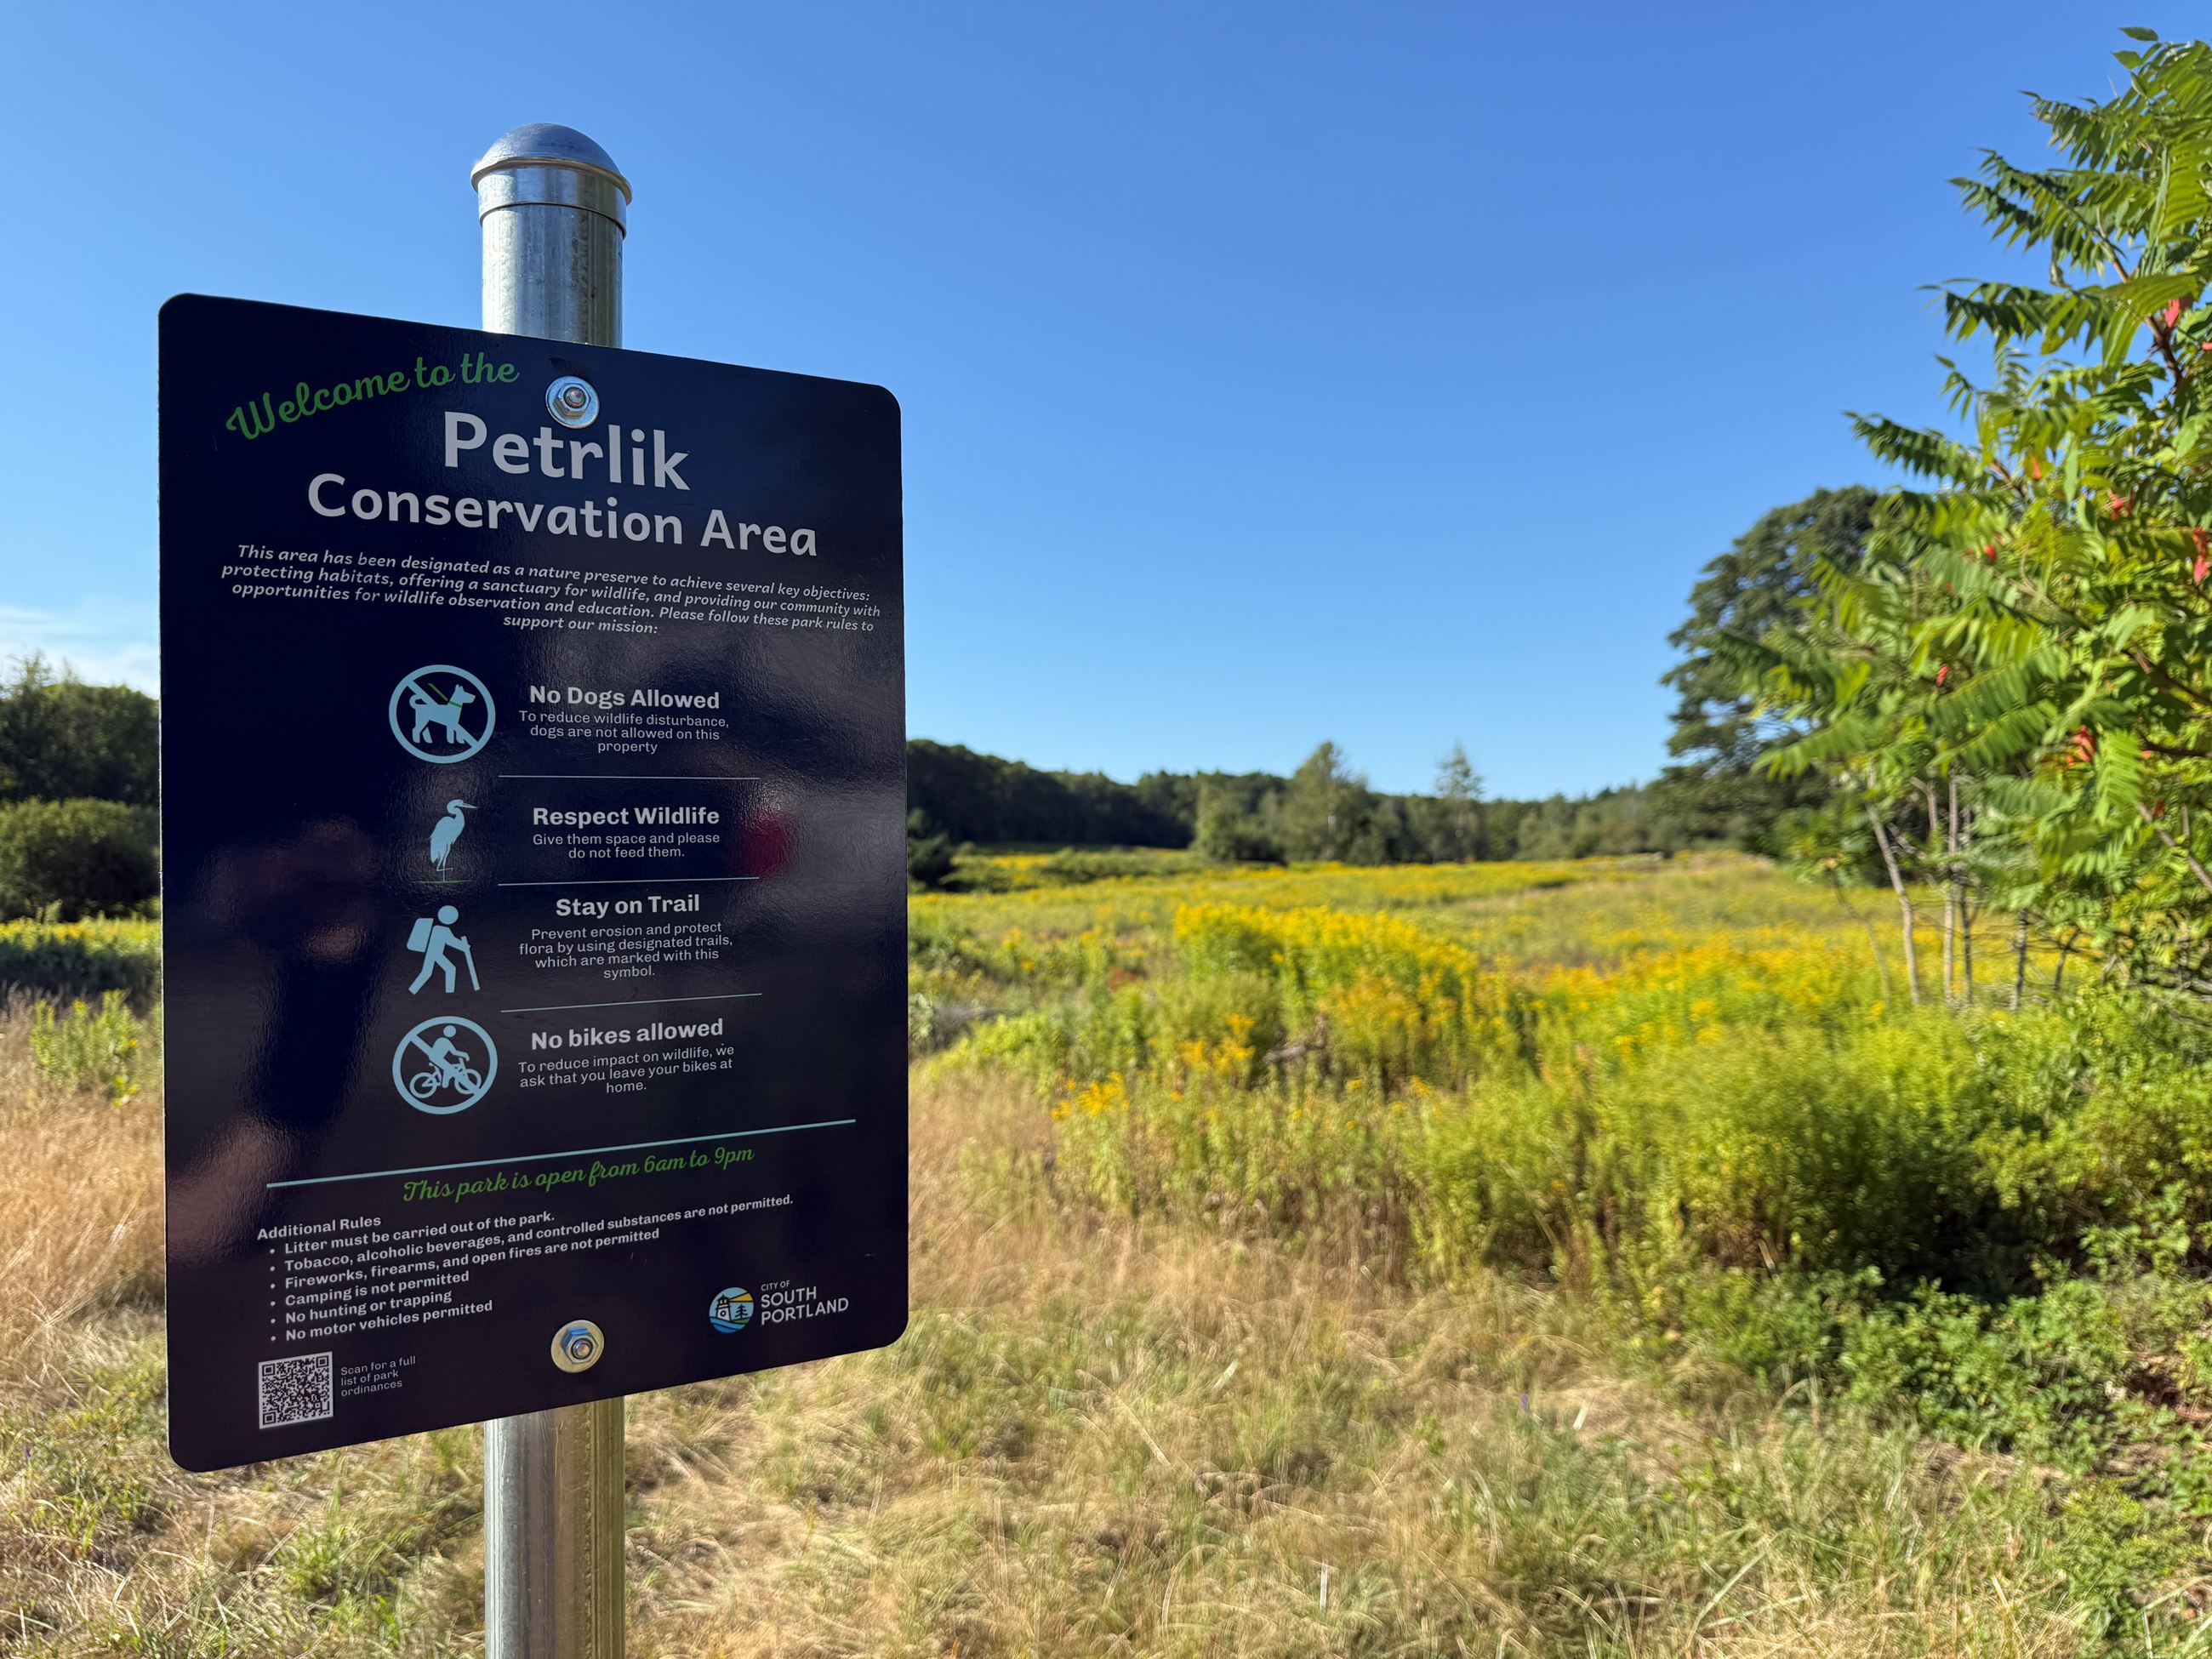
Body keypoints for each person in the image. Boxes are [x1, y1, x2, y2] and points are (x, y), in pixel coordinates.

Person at [408, 905, 479, 994]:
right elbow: (451, 941)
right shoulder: (442, 930)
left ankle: (449, 991)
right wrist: (464, 946)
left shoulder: (438, 928)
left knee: (446, 970)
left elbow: (451, 941)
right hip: (434, 954)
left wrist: (464, 946)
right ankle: (413, 990)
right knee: (429, 973)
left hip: (436, 954)